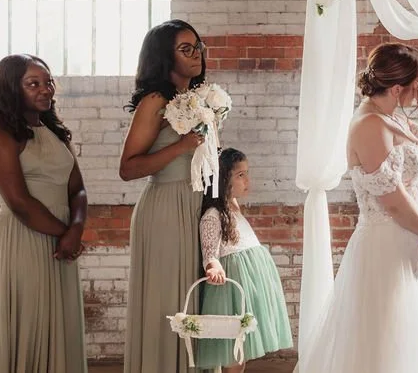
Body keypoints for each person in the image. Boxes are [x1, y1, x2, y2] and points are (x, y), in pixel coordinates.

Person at [300, 42, 418, 373]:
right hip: (385, 245)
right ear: (400, 86)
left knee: (405, 335)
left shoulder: (395, 117)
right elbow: (392, 199)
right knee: (385, 337)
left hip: (407, 241)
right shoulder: (369, 125)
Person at [0, 54, 88, 373]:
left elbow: (77, 189)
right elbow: (20, 202)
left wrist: (75, 230)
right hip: (21, 242)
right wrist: (65, 234)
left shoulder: (55, 134)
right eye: (33, 83)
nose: (45, 89)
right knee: (26, 325)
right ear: (11, 88)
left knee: (56, 327)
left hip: (61, 243)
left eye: (48, 82)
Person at [120, 19, 210, 373]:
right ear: (164, 57)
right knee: (169, 299)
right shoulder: (155, 101)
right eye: (184, 48)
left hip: (195, 205)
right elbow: (128, 168)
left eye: (197, 46)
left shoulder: (197, 99)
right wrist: (181, 147)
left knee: (194, 296)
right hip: (166, 210)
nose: (195, 54)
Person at [197, 148, 293, 371]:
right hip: (233, 289)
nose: (247, 180)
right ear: (223, 180)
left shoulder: (233, 205)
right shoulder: (213, 215)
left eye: (246, 173)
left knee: (242, 348)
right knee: (234, 346)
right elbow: (209, 252)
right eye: (240, 175)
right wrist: (213, 265)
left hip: (250, 282)